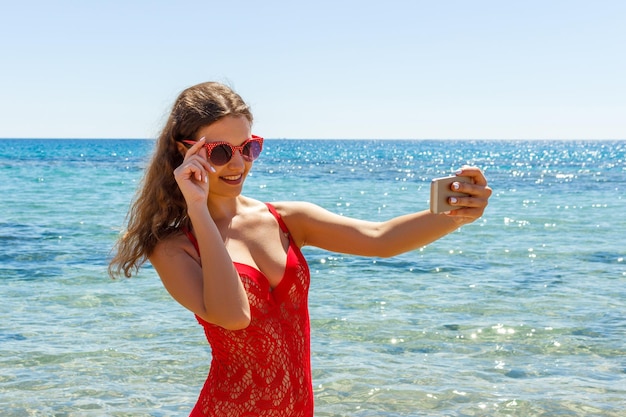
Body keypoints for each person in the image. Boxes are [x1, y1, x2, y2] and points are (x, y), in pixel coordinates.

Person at [108, 81, 492, 416]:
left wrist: (456, 216)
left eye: (250, 147)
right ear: (184, 151)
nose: (239, 162)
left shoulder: (286, 219)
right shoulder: (173, 248)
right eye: (221, 152)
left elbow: (380, 239)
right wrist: (198, 210)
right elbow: (234, 316)